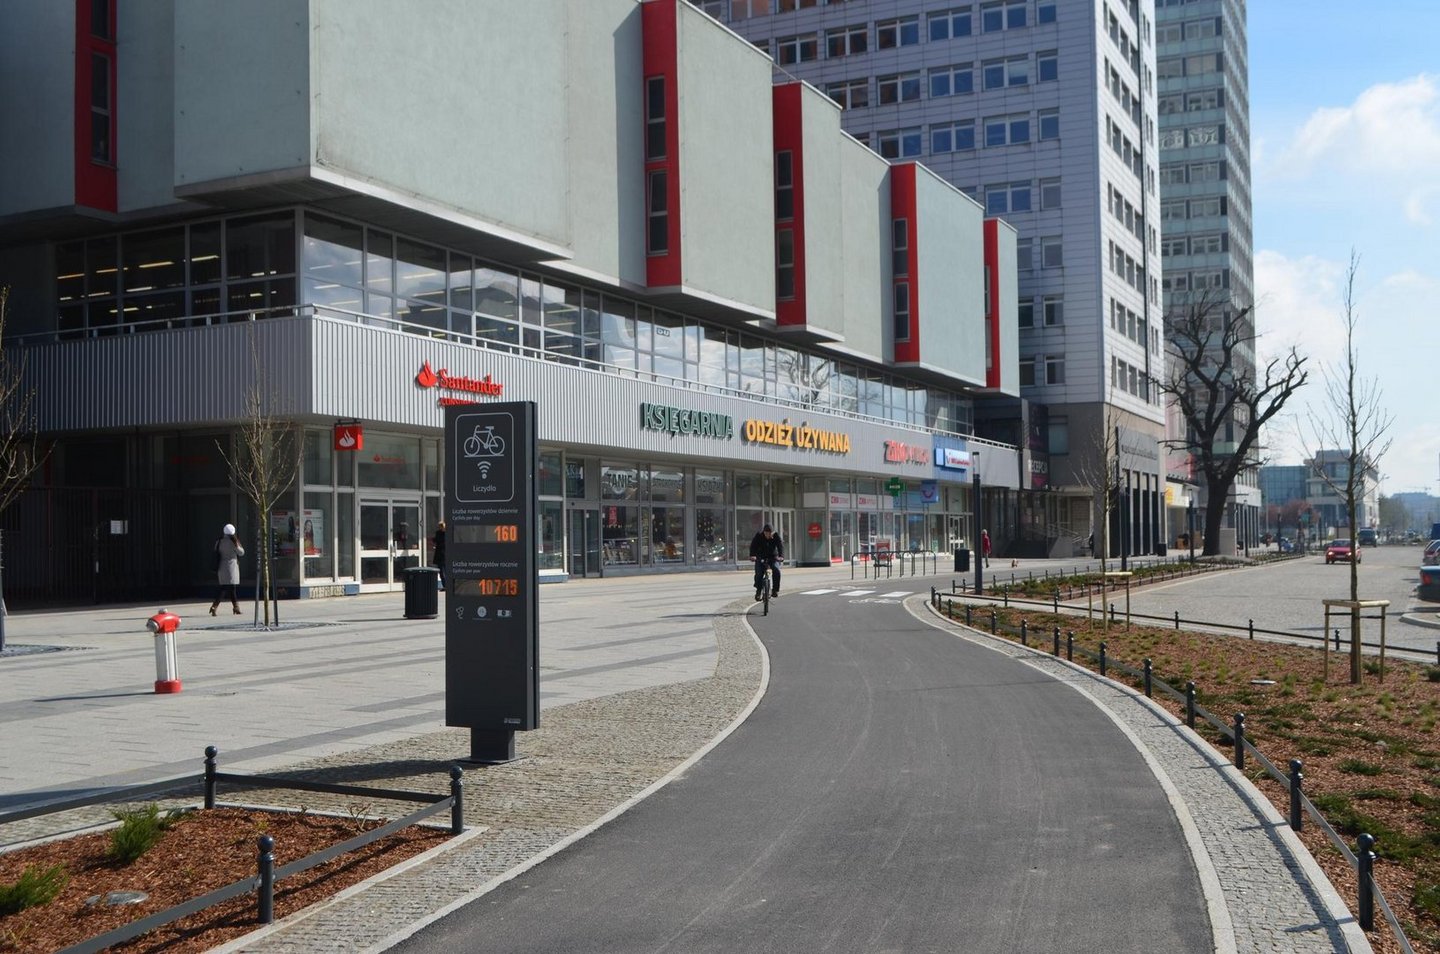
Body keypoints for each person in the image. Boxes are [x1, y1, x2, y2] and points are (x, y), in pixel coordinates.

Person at [210, 523, 245, 616]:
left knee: (225, 587)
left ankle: (233, 607)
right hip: (231, 567)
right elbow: (241, 552)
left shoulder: (219, 541)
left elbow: (215, 551)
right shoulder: (233, 542)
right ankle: (218, 606)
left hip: (221, 567)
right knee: (229, 588)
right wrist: (238, 544)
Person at [749, 523, 784, 600]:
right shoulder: (759, 536)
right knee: (759, 573)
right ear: (764, 532)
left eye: (770, 533)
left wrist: (781, 556)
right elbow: (753, 546)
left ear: (772, 532)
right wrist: (752, 555)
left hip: (773, 557)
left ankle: (775, 590)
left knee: (777, 570)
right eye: (766, 533)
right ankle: (758, 591)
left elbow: (780, 546)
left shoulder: (776, 536)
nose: (768, 535)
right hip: (761, 557)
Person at [433, 520, 447, 590]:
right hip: (443, 555)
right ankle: (446, 585)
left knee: (442, 571)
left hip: (442, 555)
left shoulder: (440, 534)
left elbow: (437, 541)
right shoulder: (441, 533)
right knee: (443, 571)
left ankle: (445, 586)